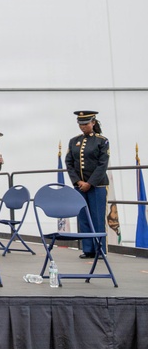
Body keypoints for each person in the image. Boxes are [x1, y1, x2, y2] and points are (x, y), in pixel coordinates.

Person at [65, 110, 110, 258]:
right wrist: (78, 181)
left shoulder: (102, 141)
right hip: (79, 186)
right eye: (80, 124)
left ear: (93, 123)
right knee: (83, 218)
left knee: (97, 218)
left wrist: (90, 183)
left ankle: (99, 249)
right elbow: (69, 162)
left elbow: (102, 165)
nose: (83, 127)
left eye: (86, 124)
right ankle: (88, 249)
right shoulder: (73, 141)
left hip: (97, 186)